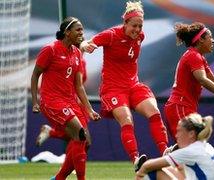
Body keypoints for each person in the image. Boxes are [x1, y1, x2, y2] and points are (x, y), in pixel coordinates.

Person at [80, 1, 168, 171]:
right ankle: (136, 159)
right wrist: (85, 46)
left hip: (134, 85)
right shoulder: (111, 35)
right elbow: (86, 43)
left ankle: (165, 152)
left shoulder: (140, 37)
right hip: (113, 88)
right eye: (134, 25)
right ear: (125, 23)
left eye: (140, 26)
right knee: (127, 120)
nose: (137, 30)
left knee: (154, 112)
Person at [31, 17, 100, 180]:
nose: (81, 33)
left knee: (85, 141)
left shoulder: (76, 53)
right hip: (52, 101)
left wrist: (89, 109)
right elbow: (35, 75)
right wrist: (35, 101)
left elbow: (79, 86)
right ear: (67, 32)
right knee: (79, 134)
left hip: (70, 101)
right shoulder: (50, 49)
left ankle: (59, 178)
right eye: (78, 30)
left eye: (82, 30)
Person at [36, 37, 93, 152]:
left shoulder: (81, 61)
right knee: (81, 137)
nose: (84, 48)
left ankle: (51, 133)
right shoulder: (56, 55)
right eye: (81, 45)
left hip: (75, 102)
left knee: (80, 138)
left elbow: (79, 85)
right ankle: (72, 167)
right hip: (61, 102)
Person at [135, 113, 214, 180]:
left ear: (191, 134)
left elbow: (148, 165)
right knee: (175, 169)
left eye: (179, 131)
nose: (176, 135)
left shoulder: (191, 151)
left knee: (151, 173)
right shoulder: (208, 147)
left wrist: (139, 175)